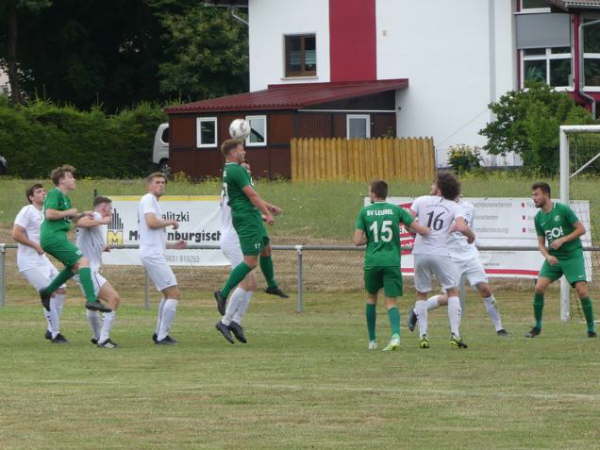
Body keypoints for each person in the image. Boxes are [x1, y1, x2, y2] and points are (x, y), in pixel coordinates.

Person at [407, 198, 507, 336]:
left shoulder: (469, 207)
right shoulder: (441, 206)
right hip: (451, 257)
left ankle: (499, 328)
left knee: (485, 289)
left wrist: (471, 238)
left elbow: (469, 228)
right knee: (450, 297)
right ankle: (417, 311)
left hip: (470, 255)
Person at [214, 139, 287, 319]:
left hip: (249, 217)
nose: (244, 152)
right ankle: (223, 296)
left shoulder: (233, 171)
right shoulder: (236, 170)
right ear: (233, 153)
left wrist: (267, 208)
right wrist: (267, 214)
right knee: (250, 265)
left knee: (265, 247)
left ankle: (271, 285)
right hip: (244, 220)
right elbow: (252, 196)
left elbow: (249, 197)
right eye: (241, 149)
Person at [353, 180, 429, 351]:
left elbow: (357, 241)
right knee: (391, 302)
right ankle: (395, 336)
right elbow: (419, 229)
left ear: (373, 193)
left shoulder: (364, 212)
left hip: (372, 262)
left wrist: (370, 239)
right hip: (392, 261)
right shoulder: (396, 210)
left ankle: (372, 340)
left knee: (371, 298)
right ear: (386, 193)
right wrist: (431, 230)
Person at [410, 172, 475, 349]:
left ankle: (423, 336)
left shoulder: (421, 200)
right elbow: (462, 226)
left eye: (433, 184)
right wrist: (471, 236)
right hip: (441, 253)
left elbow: (407, 218)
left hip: (420, 252)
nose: (431, 187)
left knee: (421, 293)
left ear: (439, 188)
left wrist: (418, 229)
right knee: (453, 292)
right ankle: (455, 334)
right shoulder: (454, 206)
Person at [527, 182, 596, 338]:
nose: (534, 198)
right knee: (539, 287)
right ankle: (537, 327)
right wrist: (548, 256)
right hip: (555, 258)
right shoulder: (538, 218)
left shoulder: (563, 210)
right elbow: (540, 244)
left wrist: (563, 239)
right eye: (532, 195)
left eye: (536, 194)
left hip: (572, 255)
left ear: (546, 194)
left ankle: (591, 329)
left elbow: (581, 229)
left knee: (581, 290)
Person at [39, 165, 110, 313]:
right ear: (61, 180)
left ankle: (47, 291)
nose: (74, 179)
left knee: (73, 268)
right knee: (83, 262)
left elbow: (71, 218)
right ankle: (91, 300)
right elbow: (50, 214)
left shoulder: (66, 199)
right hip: (52, 237)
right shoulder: (55, 193)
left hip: (57, 237)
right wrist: (70, 211)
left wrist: (83, 213)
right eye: (70, 177)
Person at [12, 184, 68, 343]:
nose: (43, 193)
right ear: (31, 197)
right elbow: (16, 234)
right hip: (29, 261)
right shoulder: (27, 210)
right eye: (39, 191)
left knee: (62, 289)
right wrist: (35, 245)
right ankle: (56, 333)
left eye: (44, 191)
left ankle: (51, 330)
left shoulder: (46, 213)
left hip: (43, 260)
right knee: (48, 292)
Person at [138, 172, 186, 345]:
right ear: (149, 185)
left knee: (168, 294)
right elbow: (151, 222)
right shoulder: (148, 199)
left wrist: (173, 245)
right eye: (157, 182)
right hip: (152, 255)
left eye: (163, 182)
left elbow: (152, 233)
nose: (161, 185)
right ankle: (162, 336)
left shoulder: (153, 202)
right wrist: (170, 221)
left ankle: (159, 333)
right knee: (174, 293)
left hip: (152, 253)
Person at [215, 161, 256, 344]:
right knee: (246, 282)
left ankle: (235, 321)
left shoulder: (232, 192)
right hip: (233, 239)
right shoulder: (236, 192)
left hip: (236, 237)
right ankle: (225, 322)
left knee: (252, 283)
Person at [76, 196, 121, 348]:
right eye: (110, 208)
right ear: (103, 208)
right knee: (113, 298)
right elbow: (80, 222)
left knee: (94, 303)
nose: (111, 212)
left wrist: (102, 247)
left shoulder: (96, 223)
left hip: (83, 270)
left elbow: (88, 240)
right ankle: (104, 338)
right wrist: (102, 220)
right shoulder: (95, 216)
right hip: (88, 271)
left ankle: (97, 336)